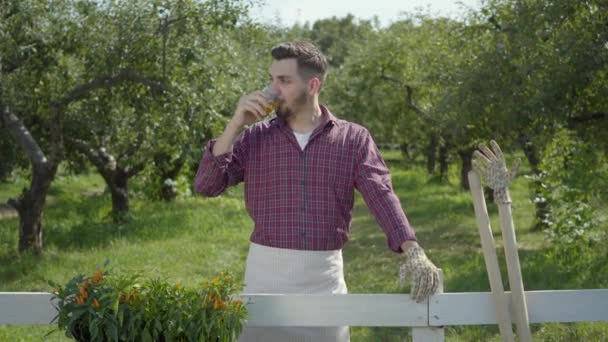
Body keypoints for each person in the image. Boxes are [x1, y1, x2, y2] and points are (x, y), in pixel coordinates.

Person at [194, 41, 439, 342]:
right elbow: (207, 185)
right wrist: (235, 125)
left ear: (313, 84)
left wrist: (412, 249)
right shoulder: (255, 137)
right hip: (263, 279)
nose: (272, 90)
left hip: (324, 280)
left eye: (283, 81)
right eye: (271, 80)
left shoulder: (353, 139)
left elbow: (381, 194)